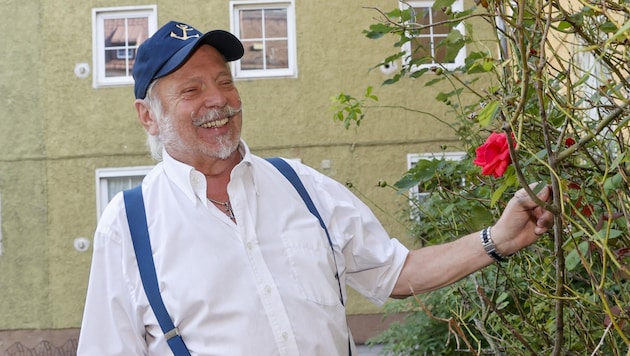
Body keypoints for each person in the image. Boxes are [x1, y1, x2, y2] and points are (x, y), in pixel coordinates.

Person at [77, 21, 554, 355]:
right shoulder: (126, 226)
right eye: (191, 89)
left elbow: (396, 272)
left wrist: (498, 239)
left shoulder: (299, 184)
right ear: (148, 117)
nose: (218, 99)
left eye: (224, 81)